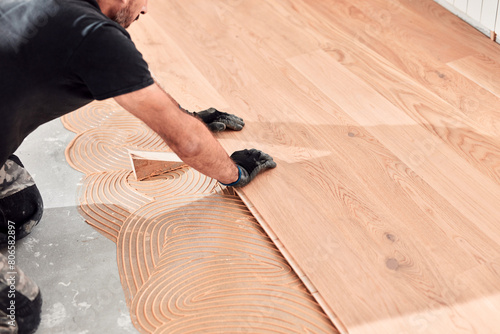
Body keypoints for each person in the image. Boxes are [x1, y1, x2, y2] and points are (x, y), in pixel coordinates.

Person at [0, 0, 276, 332]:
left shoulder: (61, 13)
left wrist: (184, 117)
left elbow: (136, 87)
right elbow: (186, 143)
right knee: (17, 312)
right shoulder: (93, 35)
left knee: (20, 212)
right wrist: (234, 171)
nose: (144, 11)